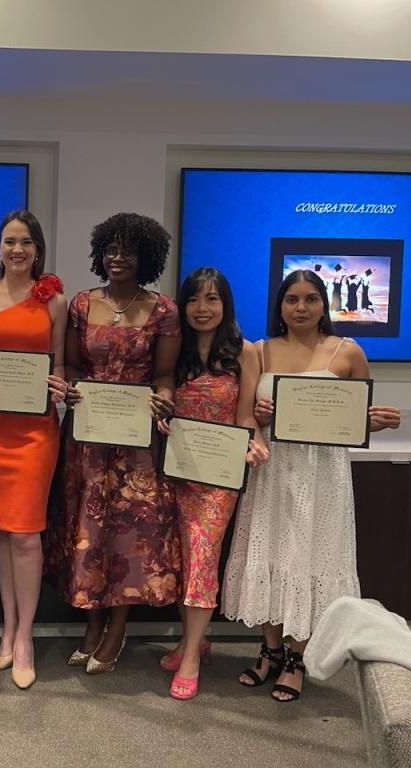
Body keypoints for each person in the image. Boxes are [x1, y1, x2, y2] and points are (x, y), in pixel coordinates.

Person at [222, 269, 401, 702]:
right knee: (271, 553)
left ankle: (297, 658)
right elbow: (244, 416)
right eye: (291, 299)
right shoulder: (258, 352)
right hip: (273, 469)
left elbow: (356, 418)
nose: (300, 308)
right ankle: (270, 650)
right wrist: (259, 426)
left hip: (323, 475)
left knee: (308, 557)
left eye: (310, 299)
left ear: (325, 304)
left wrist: (375, 421)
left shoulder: (348, 351)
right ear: (279, 306)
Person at [44, 212, 181, 676]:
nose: (118, 257)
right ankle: (91, 623)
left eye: (128, 250)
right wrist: (72, 388)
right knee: (86, 530)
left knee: (129, 535)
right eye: (111, 249)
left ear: (147, 257)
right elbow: (69, 367)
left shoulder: (163, 310)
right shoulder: (82, 304)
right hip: (87, 437)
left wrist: (163, 400)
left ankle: (117, 628)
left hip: (136, 444)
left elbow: (163, 376)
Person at [0, 210, 68, 690]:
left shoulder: (54, 301)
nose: (17, 250)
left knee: (27, 534)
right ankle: (6, 634)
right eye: (9, 241)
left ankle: (25, 637)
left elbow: (62, 368)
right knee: (3, 534)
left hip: (34, 432)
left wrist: (59, 387)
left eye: (26, 241)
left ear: (37, 248)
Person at [156, 267, 268, 700]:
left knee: (202, 557)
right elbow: (162, 395)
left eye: (212, 299)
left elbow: (246, 416)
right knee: (182, 559)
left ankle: (188, 660)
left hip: (218, 477)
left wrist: (254, 443)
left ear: (226, 304)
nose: (203, 309)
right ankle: (193, 641)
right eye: (194, 300)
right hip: (176, 470)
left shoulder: (246, 352)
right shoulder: (174, 349)